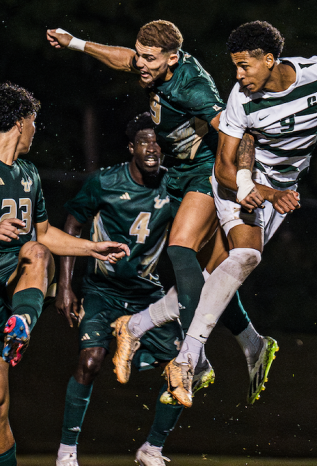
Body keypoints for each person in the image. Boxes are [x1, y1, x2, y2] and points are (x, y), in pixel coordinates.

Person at [46, 21, 276, 404]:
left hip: (205, 171)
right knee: (205, 273)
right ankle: (252, 343)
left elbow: (236, 130)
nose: (141, 64)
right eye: (141, 55)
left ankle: (192, 359)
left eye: (150, 58)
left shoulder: (192, 86)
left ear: (172, 58)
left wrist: (246, 179)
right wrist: (76, 43)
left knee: (179, 247)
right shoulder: (154, 65)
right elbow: (125, 60)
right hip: (180, 174)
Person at [164, 20, 317, 407]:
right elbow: (225, 166)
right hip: (243, 182)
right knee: (246, 255)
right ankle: (186, 359)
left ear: (271, 60)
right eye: (235, 67)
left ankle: (142, 326)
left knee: (218, 275)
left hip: (280, 189)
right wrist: (257, 190)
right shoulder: (240, 98)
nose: (238, 76)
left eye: (245, 66)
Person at [0, 83, 129, 466]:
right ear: (19, 122)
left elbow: (44, 233)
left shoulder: (29, 173)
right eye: (33, 123)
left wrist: (92, 247)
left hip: (20, 286)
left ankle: (22, 324)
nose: (35, 130)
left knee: (35, 249)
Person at [54, 113, 185, 466]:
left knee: (182, 367)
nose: (152, 148)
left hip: (147, 295)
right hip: (102, 289)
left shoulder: (175, 185)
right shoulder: (105, 181)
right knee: (90, 361)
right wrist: (64, 286)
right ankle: (67, 453)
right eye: (144, 141)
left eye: (157, 142)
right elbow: (73, 224)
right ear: (131, 148)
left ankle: (152, 449)